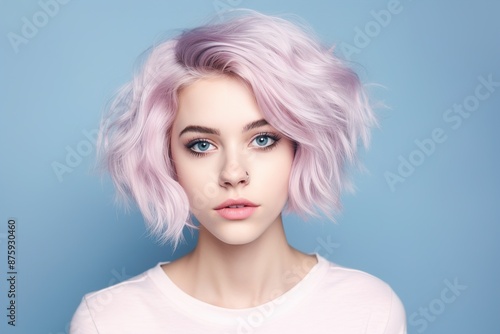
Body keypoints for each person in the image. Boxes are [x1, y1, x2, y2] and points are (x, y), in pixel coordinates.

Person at [70, 10, 406, 334]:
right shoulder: (109, 321)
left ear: (298, 149)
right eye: (201, 145)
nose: (233, 174)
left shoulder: (368, 310)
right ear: (167, 158)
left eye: (262, 139)